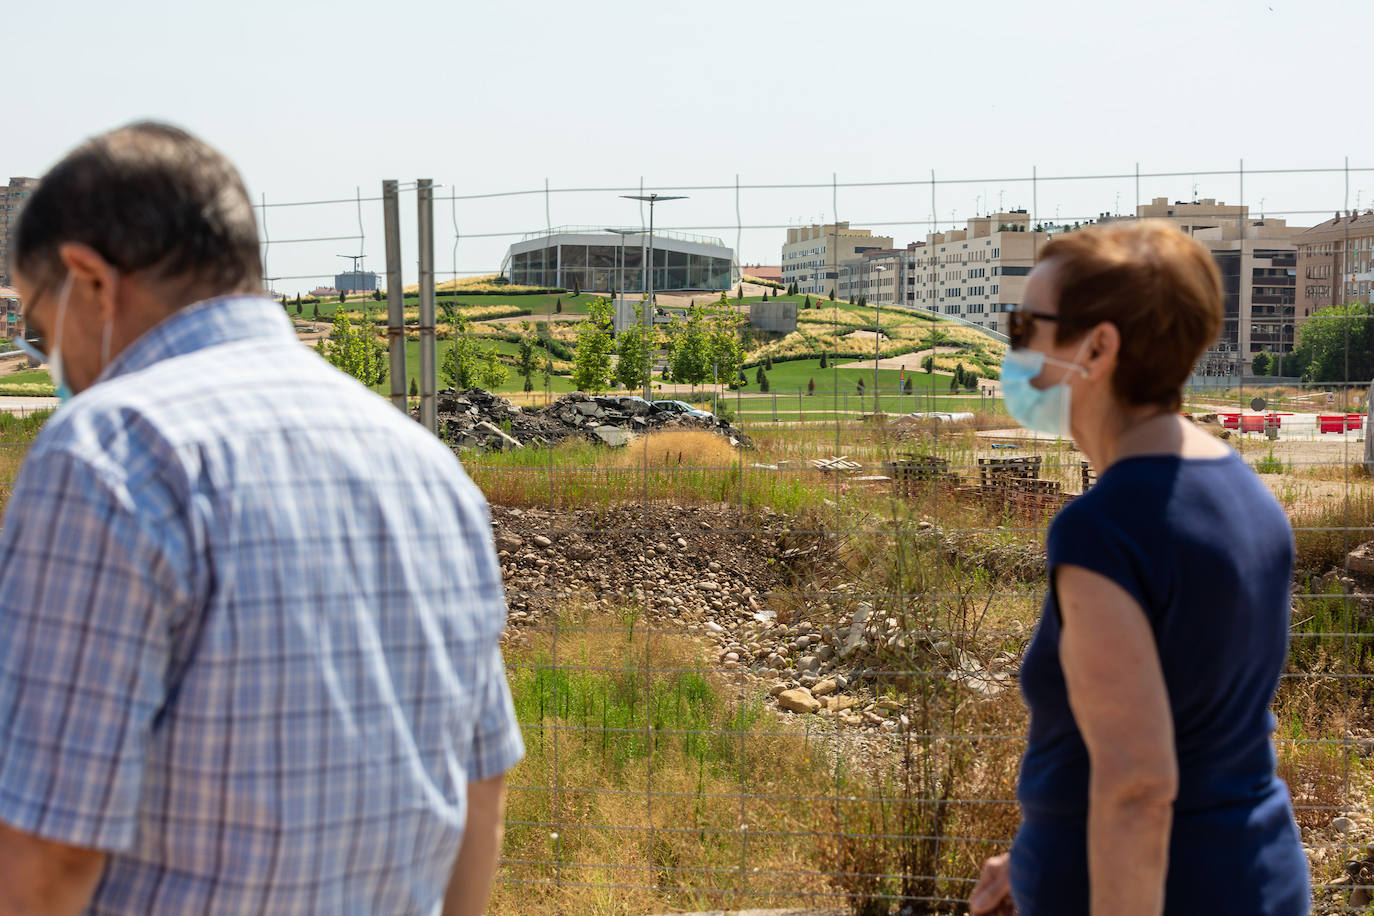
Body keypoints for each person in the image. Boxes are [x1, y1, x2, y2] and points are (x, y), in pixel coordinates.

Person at [0, 122, 523, 914]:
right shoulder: (430, 471)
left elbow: (50, 852)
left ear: (89, 279)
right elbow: (479, 793)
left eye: (37, 331)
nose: (50, 362)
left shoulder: (106, 454)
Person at [969, 221, 1308, 915]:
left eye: (1025, 326)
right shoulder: (1245, 493)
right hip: (1251, 875)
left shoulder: (1106, 529)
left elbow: (1138, 787)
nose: (1015, 348)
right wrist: (1033, 859)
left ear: (1098, 347)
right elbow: (1193, 729)